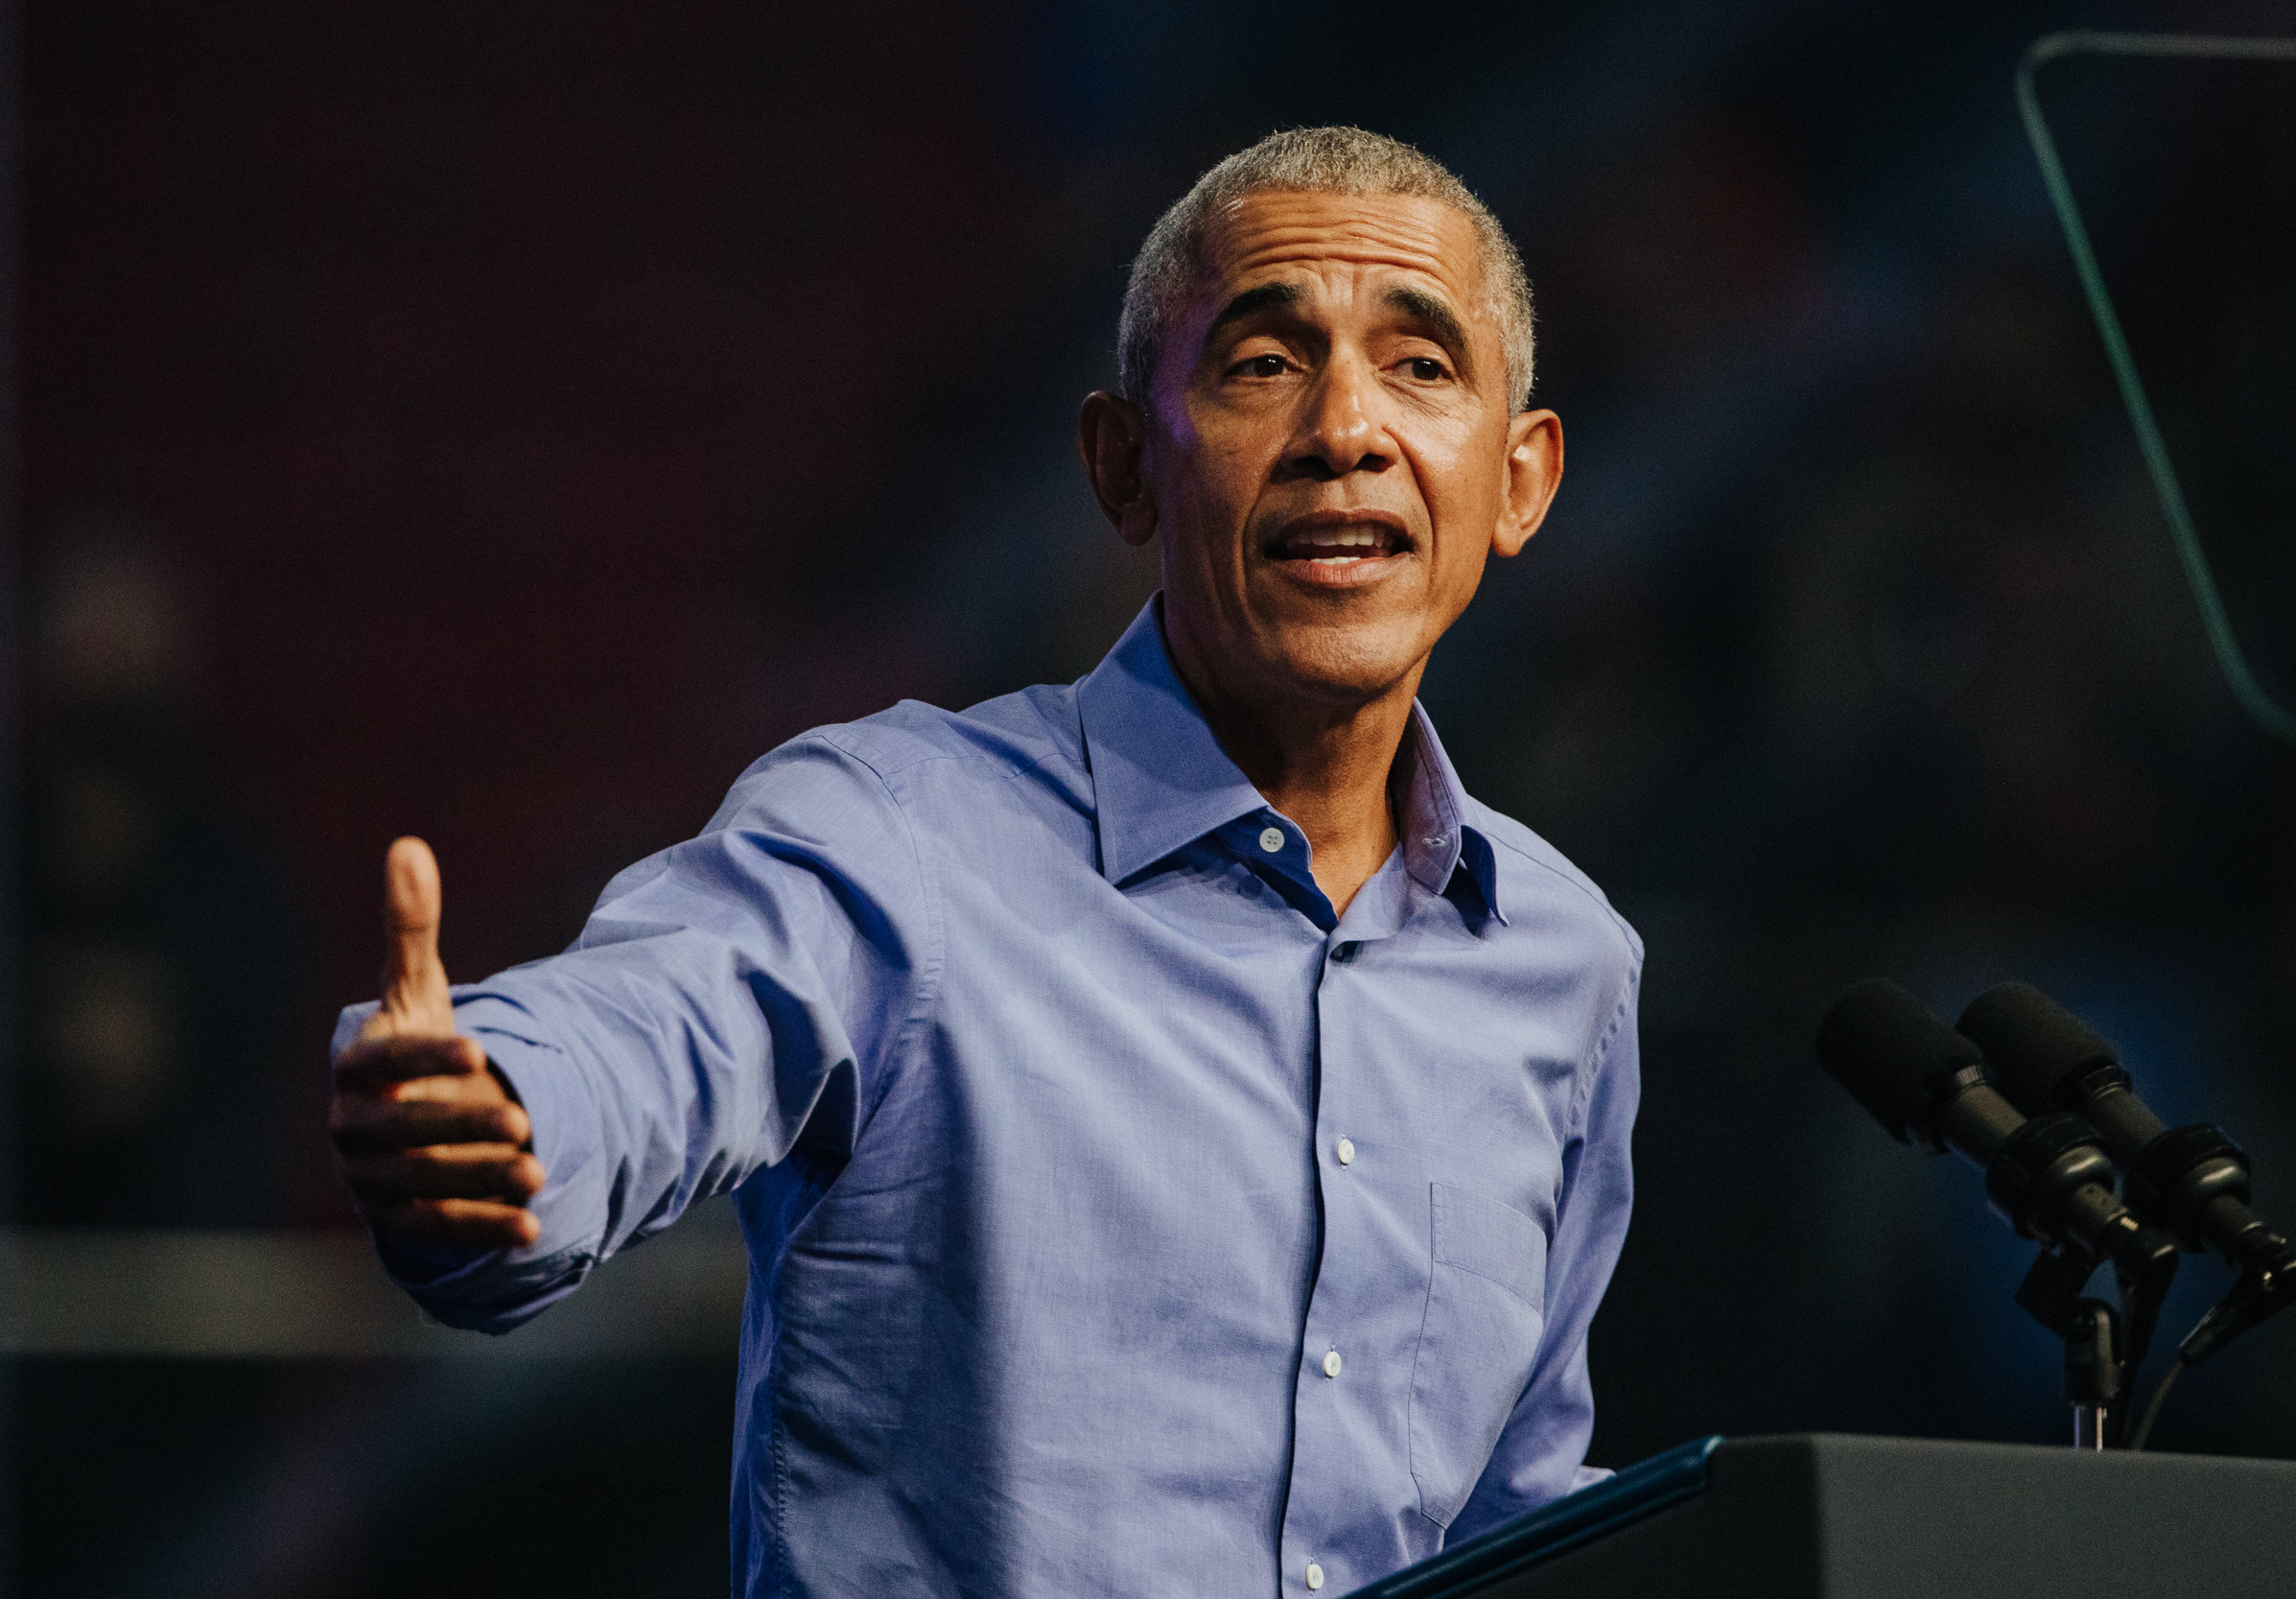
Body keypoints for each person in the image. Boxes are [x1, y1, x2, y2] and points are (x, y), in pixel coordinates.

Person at [329, 126, 1639, 1599]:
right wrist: (503, 1113)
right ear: (1124, 466)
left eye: (1420, 366)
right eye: (1264, 364)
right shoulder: (897, 836)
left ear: (1520, 481)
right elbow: (662, 1019)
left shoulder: (1564, 962)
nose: (1346, 425)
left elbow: (1522, 1511)